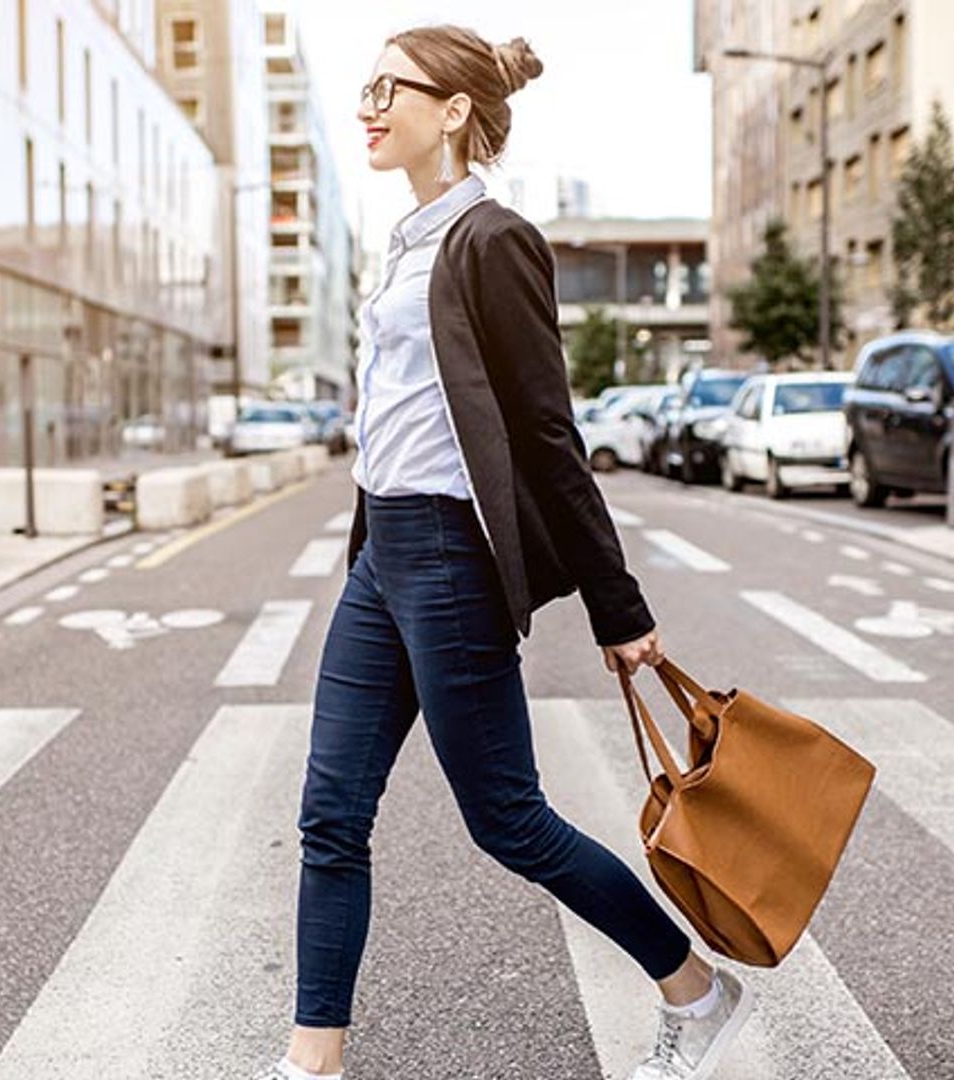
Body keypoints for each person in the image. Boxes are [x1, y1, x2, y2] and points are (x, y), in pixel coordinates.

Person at [255, 25, 753, 1080]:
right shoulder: (409, 239)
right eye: (367, 85)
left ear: (454, 111)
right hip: (379, 556)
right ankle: (312, 1061)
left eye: (393, 86)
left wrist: (620, 614)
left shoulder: (493, 240)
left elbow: (546, 434)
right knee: (330, 813)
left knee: (511, 823)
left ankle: (697, 988)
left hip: (446, 560)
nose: (370, 105)